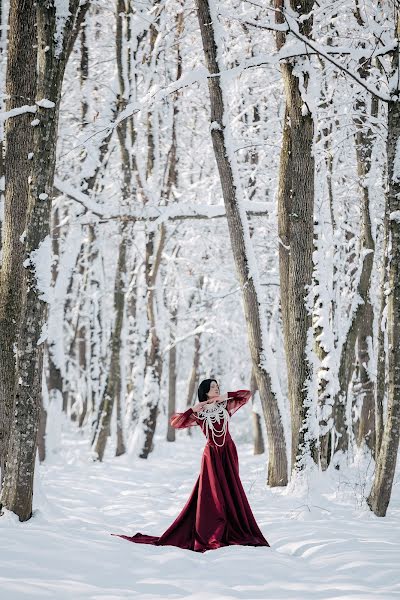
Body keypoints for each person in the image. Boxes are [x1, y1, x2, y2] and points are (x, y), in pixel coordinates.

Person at [111, 378, 270, 553]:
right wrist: (192, 409)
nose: (216, 390)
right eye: (212, 388)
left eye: (217, 387)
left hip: (228, 452)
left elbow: (246, 395)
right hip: (211, 456)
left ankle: (233, 527)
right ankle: (214, 532)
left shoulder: (225, 406)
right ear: (205, 392)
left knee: (231, 490)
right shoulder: (199, 413)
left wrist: (223, 396)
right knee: (213, 493)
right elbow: (176, 423)